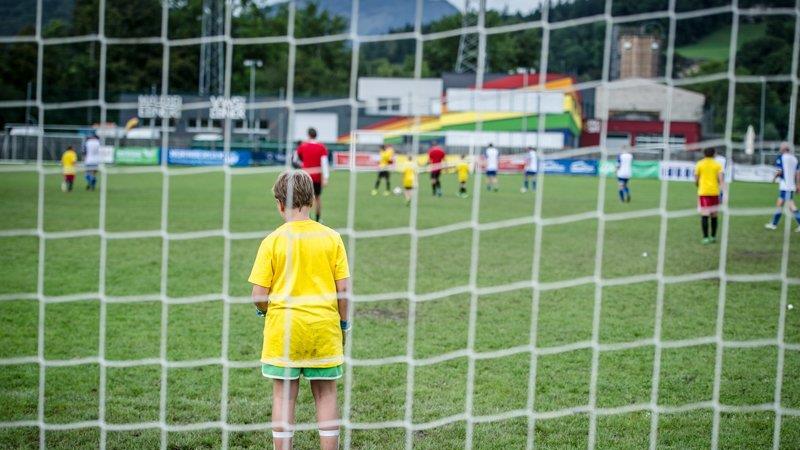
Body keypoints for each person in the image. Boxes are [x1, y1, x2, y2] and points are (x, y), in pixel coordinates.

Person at [249, 170, 350, 450]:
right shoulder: (332, 238)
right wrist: (344, 326)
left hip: (284, 332)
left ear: (280, 204)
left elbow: (258, 295)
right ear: (311, 199)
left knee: (284, 398)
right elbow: (344, 292)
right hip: (323, 331)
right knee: (326, 396)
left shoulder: (272, 240)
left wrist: (265, 311)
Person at [294, 128, 329, 222]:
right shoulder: (322, 147)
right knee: (317, 198)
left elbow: (295, 159)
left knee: (305, 198)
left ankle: (305, 219)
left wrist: (301, 165)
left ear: (308, 135)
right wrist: (326, 178)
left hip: (306, 176)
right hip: (317, 177)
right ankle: (318, 219)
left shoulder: (303, 146)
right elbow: (324, 163)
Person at [765, 142, 800, 231]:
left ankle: (774, 224)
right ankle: (774, 224)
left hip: (785, 186)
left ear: (784, 148)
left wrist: (774, 178)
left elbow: (779, 171)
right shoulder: (794, 159)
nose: (780, 149)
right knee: (780, 203)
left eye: (781, 147)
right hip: (791, 185)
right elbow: (797, 174)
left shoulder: (781, 157)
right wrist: (798, 185)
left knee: (791, 205)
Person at [695, 148, 725, 244]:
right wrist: (724, 192)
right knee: (714, 215)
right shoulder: (718, 165)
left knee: (704, 214)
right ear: (714, 154)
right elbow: (721, 180)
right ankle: (713, 237)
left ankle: (705, 238)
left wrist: (698, 185)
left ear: (704, 153)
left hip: (703, 192)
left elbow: (696, 179)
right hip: (714, 192)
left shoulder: (699, 164)